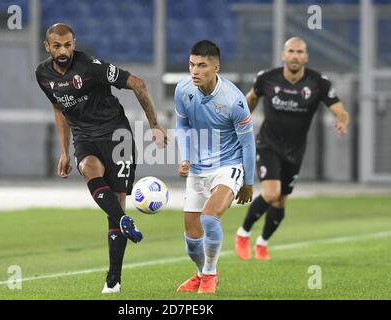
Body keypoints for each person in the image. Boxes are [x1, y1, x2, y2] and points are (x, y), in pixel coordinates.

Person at [35, 23, 167, 293]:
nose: (63, 50)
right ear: (47, 46)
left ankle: (114, 279)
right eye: (57, 45)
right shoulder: (42, 74)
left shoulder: (91, 67)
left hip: (117, 135)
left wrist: (154, 124)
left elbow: (138, 84)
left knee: (116, 203)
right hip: (84, 136)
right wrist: (63, 150)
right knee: (87, 167)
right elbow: (58, 108)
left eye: (68, 45)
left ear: (75, 43)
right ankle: (124, 220)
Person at [235, 37, 350, 261]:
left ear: (306, 56)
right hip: (268, 144)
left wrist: (342, 120)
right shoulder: (266, 78)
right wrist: (240, 118)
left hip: (295, 151)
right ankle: (243, 234)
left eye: (300, 52)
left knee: (280, 202)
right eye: (291, 51)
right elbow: (250, 99)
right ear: (283, 55)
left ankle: (262, 243)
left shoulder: (318, 83)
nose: (295, 56)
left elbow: (340, 110)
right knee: (271, 193)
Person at [174, 40, 256, 294]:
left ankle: (210, 275)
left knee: (209, 219)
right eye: (191, 64)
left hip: (228, 165)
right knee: (191, 240)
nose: (194, 71)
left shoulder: (234, 100)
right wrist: (185, 157)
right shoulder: (183, 90)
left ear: (216, 67)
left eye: (202, 65)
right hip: (198, 168)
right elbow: (183, 125)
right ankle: (200, 273)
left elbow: (248, 144)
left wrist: (248, 182)